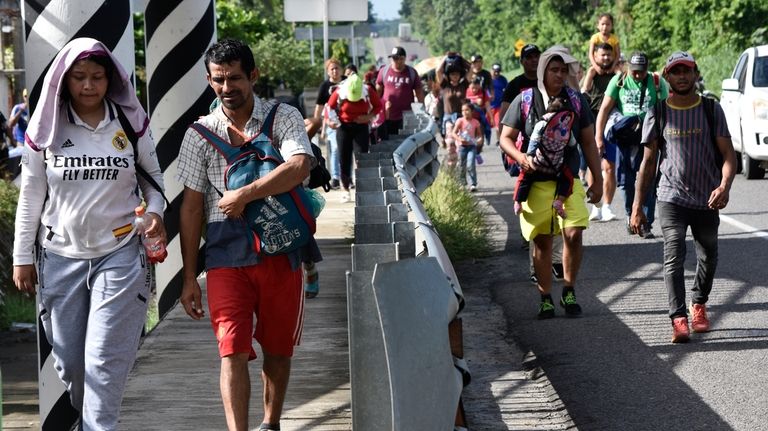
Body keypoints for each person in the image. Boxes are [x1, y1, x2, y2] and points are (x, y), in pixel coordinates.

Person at [12, 37, 167, 430]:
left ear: (110, 79)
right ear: (64, 81)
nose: (88, 85)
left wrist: (153, 212)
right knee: (73, 366)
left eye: (97, 76)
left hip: (119, 254)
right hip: (59, 259)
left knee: (102, 360)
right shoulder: (46, 126)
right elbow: (30, 194)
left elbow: (154, 182)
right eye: (79, 77)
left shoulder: (130, 122)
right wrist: (22, 256)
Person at [176, 39, 321, 431]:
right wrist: (189, 277)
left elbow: (299, 165)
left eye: (235, 78)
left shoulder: (283, 117)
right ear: (209, 80)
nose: (227, 88)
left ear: (253, 76)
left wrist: (244, 193)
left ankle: (270, 423)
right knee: (231, 350)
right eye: (219, 80)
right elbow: (190, 208)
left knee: (277, 348)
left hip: (282, 249)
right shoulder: (199, 134)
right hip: (225, 256)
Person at [630, 51, 736, 343]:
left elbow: (728, 156)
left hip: (707, 198)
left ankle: (698, 304)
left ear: (695, 74)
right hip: (671, 196)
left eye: (686, 71)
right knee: (674, 255)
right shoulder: (659, 112)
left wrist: (725, 185)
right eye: (676, 71)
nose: (682, 76)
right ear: (667, 76)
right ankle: (678, 318)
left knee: (709, 257)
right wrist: (638, 206)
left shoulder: (711, 110)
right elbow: (648, 163)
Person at [500, 47, 603, 319]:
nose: (559, 75)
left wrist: (598, 179)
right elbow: (505, 138)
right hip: (535, 182)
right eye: (553, 70)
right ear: (542, 71)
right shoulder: (524, 100)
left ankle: (569, 290)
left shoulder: (577, 101)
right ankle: (545, 297)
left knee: (574, 232)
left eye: (563, 70)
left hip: (567, 181)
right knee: (543, 243)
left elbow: (588, 143)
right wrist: (521, 157)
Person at [595, 51, 669, 236]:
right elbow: (604, 110)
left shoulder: (658, 82)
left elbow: (668, 110)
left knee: (649, 181)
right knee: (625, 182)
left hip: (650, 138)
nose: (637, 75)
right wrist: (598, 138)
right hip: (625, 138)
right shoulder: (618, 81)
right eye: (634, 71)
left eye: (641, 72)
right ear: (628, 67)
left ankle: (645, 222)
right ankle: (631, 216)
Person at [514, 97, 578, 219]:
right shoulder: (566, 127)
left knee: (524, 178)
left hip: (537, 164)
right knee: (568, 180)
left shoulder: (541, 123)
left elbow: (534, 141)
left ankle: (518, 202)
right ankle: (559, 201)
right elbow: (572, 144)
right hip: (556, 168)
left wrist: (530, 158)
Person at [327, 71, 382, 202]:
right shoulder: (340, 91)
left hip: (361, 127)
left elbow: (378, 106)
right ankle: (345, 189)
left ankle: (362, 188)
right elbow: (329, 107)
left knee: (361, 157)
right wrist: (332, 121)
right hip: (343, 127)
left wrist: (368, 117)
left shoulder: (367, 90)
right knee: (344, 158)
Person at [375, 46, 424, 140]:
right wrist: (377, 108)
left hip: (406, 116)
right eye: (393, 58)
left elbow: (419, 92)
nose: (394, 61)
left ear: (403, 59)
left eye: (397, 58)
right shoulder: (384, 71)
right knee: (387, 142)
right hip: (387, 116)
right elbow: (378, 90)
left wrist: (422, 109)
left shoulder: (411, 72)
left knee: (404, 142)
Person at [314, 58, 344, 189]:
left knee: (346, 151)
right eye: (332, 69)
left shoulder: (346, 83)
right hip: (331, 123)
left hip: (347, 122)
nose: (335, 71)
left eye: (337, 68)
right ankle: (336, 178)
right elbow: (319, 106)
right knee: (336, 149)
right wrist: (316, 124)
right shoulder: (325, 86)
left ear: (341, 69)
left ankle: (346, 177)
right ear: (328, 72)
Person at [499, 44, 540, 127]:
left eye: (536, 56)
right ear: (521, 62)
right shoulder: (513, 85)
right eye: (529, 57)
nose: (534, 60)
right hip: (521, 134)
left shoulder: (548, 80)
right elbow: (504, 116)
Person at [451, 101, 484, 191]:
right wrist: (459, 139)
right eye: (463, 110)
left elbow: (479, 135)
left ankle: (473, 183)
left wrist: (480, 140)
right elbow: (453, 133)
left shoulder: (475, 122)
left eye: (467, 110)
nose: (465, 112)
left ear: (472, 111)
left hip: (471, 146)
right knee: (462, 165)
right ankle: (462, 183)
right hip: (462, 147)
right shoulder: (460, 121)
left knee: (470, 164)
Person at [490, 63, 508, 130]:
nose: (497, 73)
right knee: (487, 128)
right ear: (491, 70)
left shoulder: (503, 79)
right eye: (495, 71)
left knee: (498, 126)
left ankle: (500, 140)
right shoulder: (487, 79)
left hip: (499, 106)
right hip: (488, 107)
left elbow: (507, 90)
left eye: (498, 71)